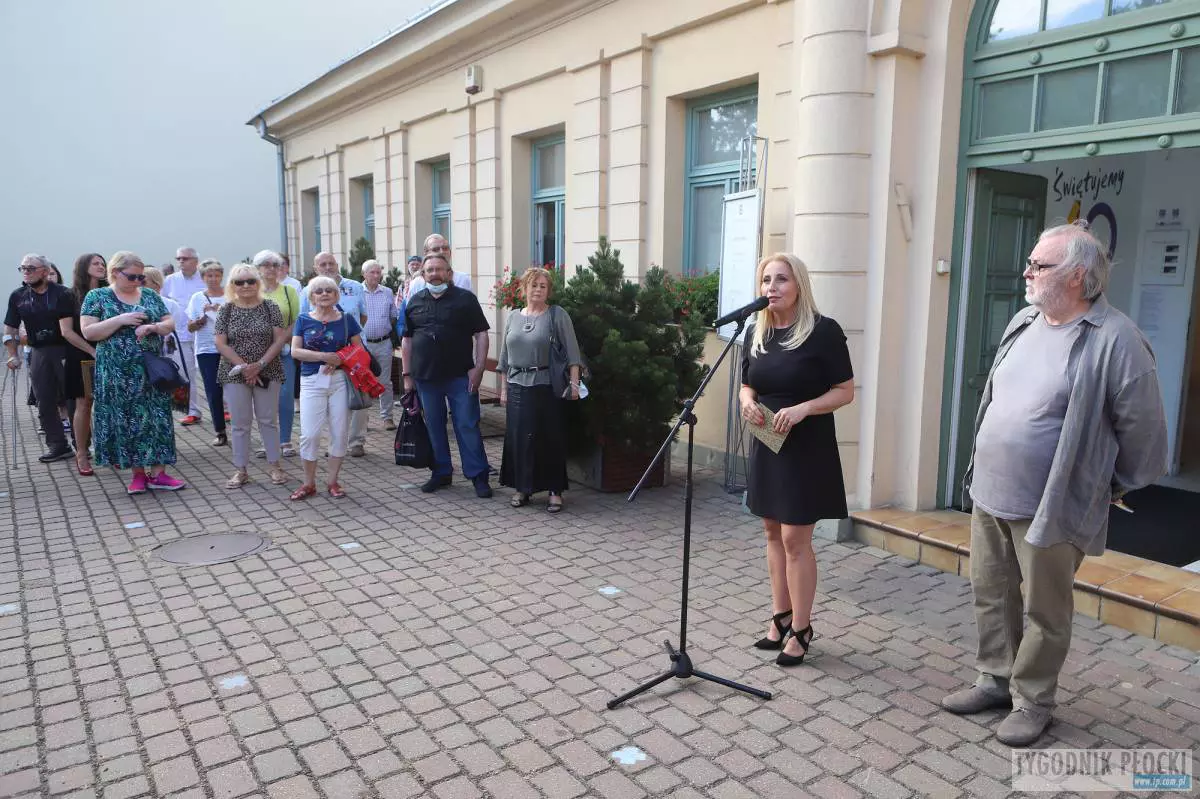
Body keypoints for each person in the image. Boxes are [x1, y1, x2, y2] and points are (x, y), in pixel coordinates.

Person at [942, 222, 1167, 747]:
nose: (1026, 272)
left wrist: (1104, 484)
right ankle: (995, 680)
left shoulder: (1117, 340)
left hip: (1054, 504)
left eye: (1039, 265)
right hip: (989, 493)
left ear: (1077, 276)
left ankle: (1033, 700)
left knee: (1045, 609)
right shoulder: (1024, 321)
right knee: (990, 592)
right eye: (1031, 262)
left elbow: (1146, 435)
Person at [738, 253, 855, 668]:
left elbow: (845, 391)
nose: (771, 287)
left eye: (781, 279)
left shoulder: (823, 332)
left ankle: (802, 629)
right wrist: (747, 401)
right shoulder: (755, 330)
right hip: (768, 442)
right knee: (771, 531)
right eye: (766, 280)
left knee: (794, 539)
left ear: (799, 285)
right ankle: (781, 617)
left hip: (806, 447)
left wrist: (805, 408)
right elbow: (748, 384)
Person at [80, 252, 185, 493]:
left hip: (151, 370)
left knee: (157, 418)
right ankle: (137, 474)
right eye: (132, 276)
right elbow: (89, 332)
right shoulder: (97, 296)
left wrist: (153, 327)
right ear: (115, 272)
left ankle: (159, 474)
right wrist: (121, 319)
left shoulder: (149, 294)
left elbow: (169, 322)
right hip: (116, 373)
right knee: (128, 420)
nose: (138, 281)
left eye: (141, 277)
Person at [401, 253, 493, 497]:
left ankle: (478, 476)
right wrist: (407, 376)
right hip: (426, 378)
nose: (435, 274)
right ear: (423, 275)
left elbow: (481, 334)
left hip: (460, 376)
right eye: (430, 270)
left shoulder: (465, 299)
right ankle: (441, 472)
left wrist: (479, 368)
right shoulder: (415, 301)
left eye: (439, 269)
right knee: (434, 426)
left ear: (449, 273)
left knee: (467, 425)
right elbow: (407, 340)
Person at [497, 267, 582, 513]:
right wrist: (504, 390)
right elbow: (504, 358)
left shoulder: (557, 315)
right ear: (524, 289)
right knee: (519, 439)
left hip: (547, 385)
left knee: (550, 439)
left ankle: (555, 491)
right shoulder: (513, 316)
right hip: (516, 386)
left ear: (548, 291)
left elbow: (573, 354)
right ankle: (522, 488)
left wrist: (574, 384)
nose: (538, 290)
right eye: (534, 285)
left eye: (543, 286)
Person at [215, 263, 289, 489]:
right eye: (240, 282)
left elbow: (279, 339)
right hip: (234, 372)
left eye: (250, 281)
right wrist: (245, 367)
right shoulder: (226, 309)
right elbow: (220, 343)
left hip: (268, 369)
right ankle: (241, 470)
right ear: (232, 285)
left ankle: (275, 466)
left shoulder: (270, 306)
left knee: (268, 420)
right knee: (239, 423)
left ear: (258, 283)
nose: (245, 285)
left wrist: (259, 365)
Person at [290, 275, 363, 500]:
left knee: (339, 433)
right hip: (311, 381)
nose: (324, 294)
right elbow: (295, 351)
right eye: (319, 291)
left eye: (329, 290)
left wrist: (339, 359)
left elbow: (358, 349)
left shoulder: (346, 319)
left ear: (336, 295)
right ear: (311, 296)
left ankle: (333, 481)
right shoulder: (303, 319)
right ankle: (308, 483)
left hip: (340, 381)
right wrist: (324, 356)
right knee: (309, 435)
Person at [4, 254, 78, 463]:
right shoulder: (18, 296)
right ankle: (58, 445)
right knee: (44, 400)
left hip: (65, 349)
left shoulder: (63, 293)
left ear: (45, 271)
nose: (26, 272)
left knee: (73, 399)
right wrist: (12, 355)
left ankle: (81, 444)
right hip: (38, 351)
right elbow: (10, 328)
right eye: (23, 268)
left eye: (31, 268)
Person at [254, 250, 301, 458]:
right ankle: (267, 441)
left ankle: (285, 440)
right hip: (259, 355)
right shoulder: (252, 292)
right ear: (258, 269)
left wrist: (280, 340)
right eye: (266, 265)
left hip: (284, 352)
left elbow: (296, 321)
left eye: (275, 265)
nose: (271, 269)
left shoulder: (289, 291)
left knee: (285, 397)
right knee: (264, 399)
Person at [65, 253, 107, 475]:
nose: (101, 266)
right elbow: (66, 331)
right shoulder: (69, 296)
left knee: (110, 402)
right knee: (84, 403)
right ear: (83, 267)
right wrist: (92, 350)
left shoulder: (110, 292)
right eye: (95, 263)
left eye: (103, 263)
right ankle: (81, 453)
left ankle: (110, 450)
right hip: (81, 355)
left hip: (109, 354)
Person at [161, 247, 206, 425]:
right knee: (187, 373)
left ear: (196, 261)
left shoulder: (205, 277)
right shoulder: (170, 280)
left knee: (212, 371)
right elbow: (163, 305)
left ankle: (225, 408)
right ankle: (193, 411)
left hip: (204, 333)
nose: (181, 261)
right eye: (178, 258)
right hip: (181, 335)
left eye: (185, 258)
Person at [186, 260, 228, 446]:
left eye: (217, 275)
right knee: (213, 390)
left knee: (236, 390)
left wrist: (221, 312)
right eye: (209, 275)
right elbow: (190, 327)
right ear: (203, 277)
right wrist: (202, 318)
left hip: (230, 348)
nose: (213, 279)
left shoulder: (230, 296)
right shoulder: (197, 298)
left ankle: (241, 428)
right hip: (206, 349)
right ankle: (220, 431)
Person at [357, 259, 399, 443]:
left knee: (385, 382)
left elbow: (393, 316)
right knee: (362, 382)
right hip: (362, 345)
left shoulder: (387, 292)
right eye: (372, 272)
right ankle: (363, 419)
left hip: (383, 343)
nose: (376, 275)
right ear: (364, 274)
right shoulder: (357, 291)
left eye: (378, 272)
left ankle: (387, 417)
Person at [407, 234, 473, 295]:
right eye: (435, 249)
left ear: (450, 253)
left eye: (445, 248)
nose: (442, 252)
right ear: (426, 254)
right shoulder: (416, 284)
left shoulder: (463, 279)